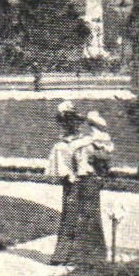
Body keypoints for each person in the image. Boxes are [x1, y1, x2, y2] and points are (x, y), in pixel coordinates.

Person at [45, 104, 114, 265]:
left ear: (78, 123)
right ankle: (65, 255)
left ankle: (90, 255)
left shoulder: (88, 141)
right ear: (62, 124)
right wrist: (68, 176)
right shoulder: (60, 146)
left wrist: (98, 171)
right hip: (72, 184)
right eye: (66, 122)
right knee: (70, 216)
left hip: (88, 182)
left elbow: (103, 159)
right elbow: (60, 169)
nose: (70, 125)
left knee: (89, 215)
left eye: (74, 122)